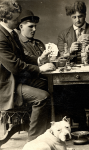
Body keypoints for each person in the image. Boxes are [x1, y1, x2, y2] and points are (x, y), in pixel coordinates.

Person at [0, 0, 56, 141]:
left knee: (49, 85)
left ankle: (45, 131)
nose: (18, 22)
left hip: (16, 80)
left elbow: (23, 57)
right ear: (4, 18)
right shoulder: (0, 37)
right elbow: (15, 66)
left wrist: (39, 60)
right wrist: (40, 69)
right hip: (7, 85)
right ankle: (35, 141)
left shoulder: (11, 33)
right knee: (43, 97)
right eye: (15, 19)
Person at [57, 1, 89, 132]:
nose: (77, 20)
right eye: (74, 17)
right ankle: (81, 121)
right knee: (68, 92)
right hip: (72, 78)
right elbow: (61, 57)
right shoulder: (63, 35)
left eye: (80, 16)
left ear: (85, 15)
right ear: (70, 17)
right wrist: (69, 51)